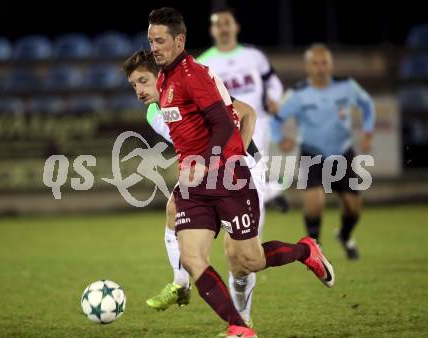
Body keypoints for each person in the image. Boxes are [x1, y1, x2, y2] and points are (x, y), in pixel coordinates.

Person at [147, 8, 334, 338]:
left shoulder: (196, 76)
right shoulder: (164, 81)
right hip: (196, 186)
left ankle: (306, 250)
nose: (154, 47)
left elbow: (224, 122)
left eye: (160, 40)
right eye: (150, 41)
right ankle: (238, 326)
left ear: (180, 40)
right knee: (192, 257)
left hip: (229, 178)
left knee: (247, 260)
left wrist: (207, 160)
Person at [122, 50, 265, 328]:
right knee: (174, 209)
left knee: (239, 258)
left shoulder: (188, 92)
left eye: (143, 81)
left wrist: (235, 158)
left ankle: (243, 321)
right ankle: (180, 285)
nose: (139, 91)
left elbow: (247, 113)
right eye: (133, 85)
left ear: (160, 77)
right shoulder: (154, 112)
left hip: (244, 167)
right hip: (208, 170)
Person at [272, 43, 376, 260]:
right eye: (315, 63)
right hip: (313, 155)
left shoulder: (346, 86)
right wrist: (280, 139)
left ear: (331, 65)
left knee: (354, 208)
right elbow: (276, 119)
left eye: (324, 63)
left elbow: (367, 105)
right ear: (308, 67)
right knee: (315, 202)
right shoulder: (298, 94)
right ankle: (315, 250)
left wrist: (367, 132)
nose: (320, 68)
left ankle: (345, 236)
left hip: (343, 154)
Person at [198, 7, 289, 213]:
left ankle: (252, 230)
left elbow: (273, 82)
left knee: (249, 179)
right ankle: (274, 189)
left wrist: (274, 98)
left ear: (236, 27)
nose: (223, 28)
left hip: (258, 123)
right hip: (226, 129)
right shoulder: (203, 63)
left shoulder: (254, 56)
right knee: (241, 180)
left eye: (227, 23)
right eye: (218, 24)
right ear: (212, 30)